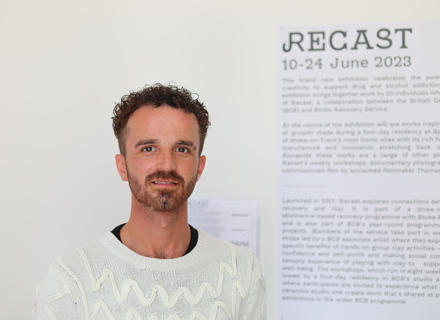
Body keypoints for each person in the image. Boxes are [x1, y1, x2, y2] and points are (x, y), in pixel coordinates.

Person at [33, 84, 267, 319]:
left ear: (199, 167)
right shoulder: (69, 281)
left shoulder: (242, 272)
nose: (166, 164)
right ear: (122, 166)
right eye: (149, 148)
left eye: (182, 149)